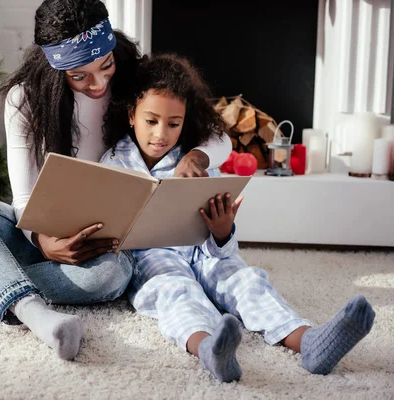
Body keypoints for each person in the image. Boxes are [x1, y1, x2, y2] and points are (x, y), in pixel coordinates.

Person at [0, 0, 232, 361]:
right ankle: (35, 314)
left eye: (106, 66)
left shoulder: (133, 78)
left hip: (103, 249)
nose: (99, 82)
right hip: (41, 233)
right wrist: (42, 241)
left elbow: (219, 136)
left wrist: (197, 155)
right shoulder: (24, 99)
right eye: (80, 76)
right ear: (57, 69)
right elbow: (22, 197)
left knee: (112, 278)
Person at [99, 53, 375, 382]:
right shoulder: (112, 162)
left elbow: (221, 239)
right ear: (132, 115)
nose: (161, 133)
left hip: (202, 248)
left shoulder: (195, 161)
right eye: (151, 121)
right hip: (152, 255)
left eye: (173, 124)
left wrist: (222, 231)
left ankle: (309, 341)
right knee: (176, 292)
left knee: (245, 280)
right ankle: (210, 350)